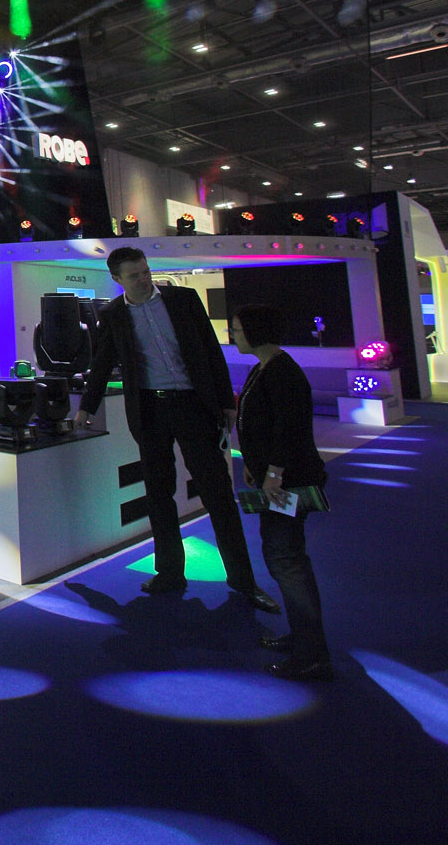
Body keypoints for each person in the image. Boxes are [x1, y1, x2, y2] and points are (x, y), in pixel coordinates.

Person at [75, 246, 280, 613]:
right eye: (134, 275)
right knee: (158, 494)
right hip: (150, 410)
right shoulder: (113, 314)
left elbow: (210, 351)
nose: (144, 279)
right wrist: (87, 407)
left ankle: (243, 580)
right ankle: (169, 572)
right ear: (117, 279)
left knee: (217, 493)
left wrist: (226, 402)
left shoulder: (183, 300)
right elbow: (102, 362)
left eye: (145, 271)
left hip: (193, 406)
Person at [229, 304, 334, 681]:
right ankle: (304, 638)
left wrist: (273, 472)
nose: (233, 335)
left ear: (256, 331)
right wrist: (254, 464)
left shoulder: (282, 373)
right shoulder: (264, 368)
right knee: (283, 557)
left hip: (288, 483)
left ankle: (312, 654)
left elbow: (290, 430)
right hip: (276, 480)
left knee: (287, 561)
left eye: (238, 329)